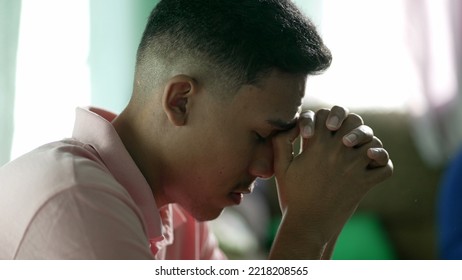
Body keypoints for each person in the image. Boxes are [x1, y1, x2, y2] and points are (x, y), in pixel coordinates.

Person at [0, 0, 393, 259]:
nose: (267, 168)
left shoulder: (179, 211)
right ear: (180, 102)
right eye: (260, 136)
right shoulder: (75, 202)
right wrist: (307, 225)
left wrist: (328, 209)